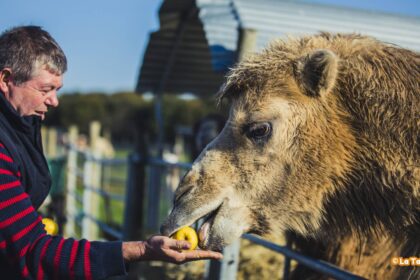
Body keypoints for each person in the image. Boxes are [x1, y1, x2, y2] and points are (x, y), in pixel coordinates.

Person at [0, 26, 222, 280]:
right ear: (6, 80)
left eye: (57, 90)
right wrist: (141, 250)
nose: (54, 101)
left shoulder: (22, 123)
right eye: (45, 89)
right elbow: (33, 252)